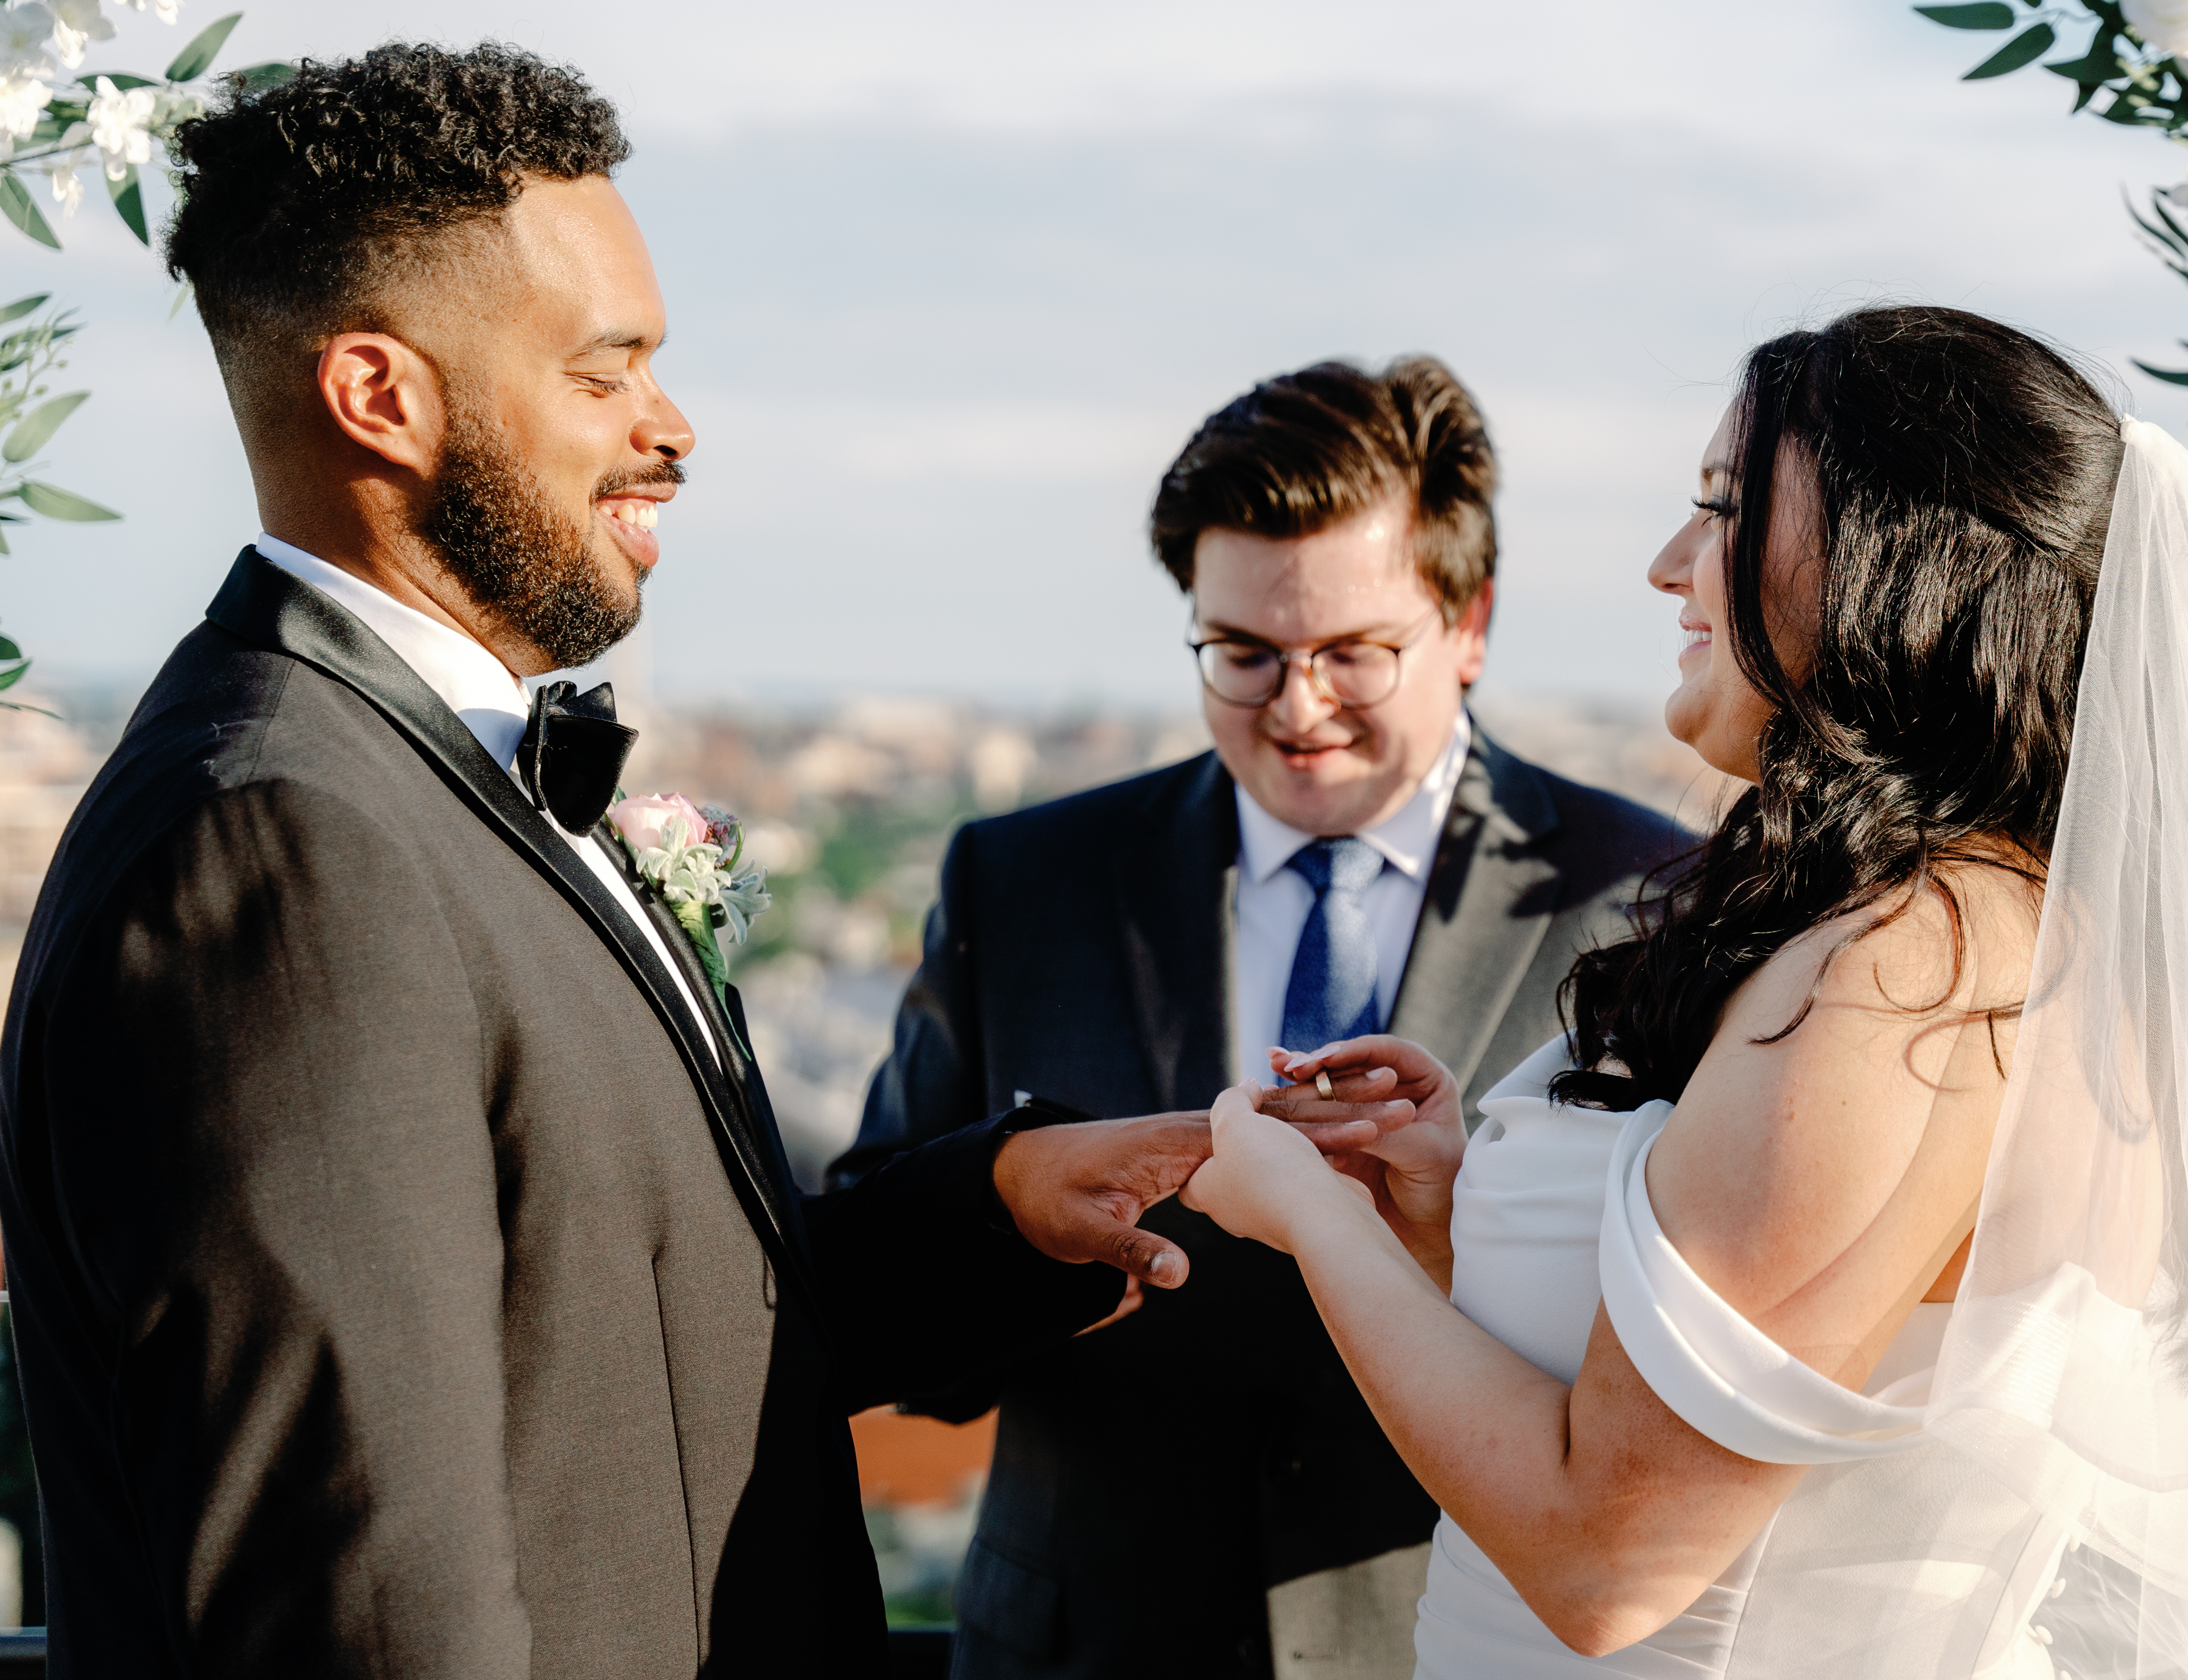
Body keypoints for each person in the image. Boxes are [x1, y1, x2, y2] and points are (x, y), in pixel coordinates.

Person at [0, 44, 1402, 1679]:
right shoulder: (287, 846)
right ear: (380, 395)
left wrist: (998, 1213)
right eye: (605, 372)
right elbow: (370, 1608)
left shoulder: (426, 781)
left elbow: (613, 1323)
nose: (671, 428)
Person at [1181, 306, 2188, 1677]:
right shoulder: (1949, 930)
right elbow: (1747, 1374)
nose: (1666, 566)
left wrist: (1302, 1214)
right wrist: (1440, 1217)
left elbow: (1609, 1562)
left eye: (1720, 508)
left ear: (1890, 557)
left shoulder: (1919, 975)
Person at [841, 359, 1681, 1679]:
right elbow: (873, 1285)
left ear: (1471, 623)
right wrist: (1016, 1211)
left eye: (1353, 653)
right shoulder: (1021, 882)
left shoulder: (1650, 902)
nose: (1296, 710)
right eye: (1243, 655)